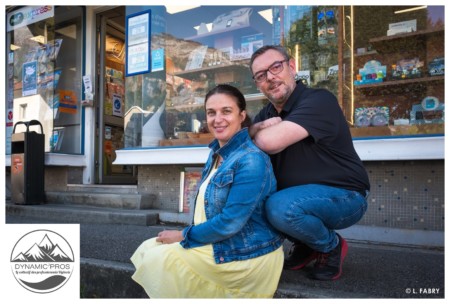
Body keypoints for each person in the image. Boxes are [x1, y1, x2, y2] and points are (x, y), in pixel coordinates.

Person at [130, 84, 284, 298]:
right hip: (223, 242)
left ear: (242, 116)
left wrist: (182, 235)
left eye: (226, 111)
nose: (217, 119)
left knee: (161, 259)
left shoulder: (251, 159)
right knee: (150, 246)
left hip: (247, 253)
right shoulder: (216, 155)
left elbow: (230, 222)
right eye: (211, 112)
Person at [248, 45, 370, 281]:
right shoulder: (265, 116)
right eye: (261, 75)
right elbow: (235, 142)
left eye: (275, 67)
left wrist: (256, 132)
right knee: (250, 199)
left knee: (279, 206)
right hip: (299, 200)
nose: (270, 77)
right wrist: (256, 126)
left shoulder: (318, 100)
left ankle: (330, 245)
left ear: (292, 66)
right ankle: (307, 244)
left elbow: (268, 142)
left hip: (346, 196)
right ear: (257, 84)